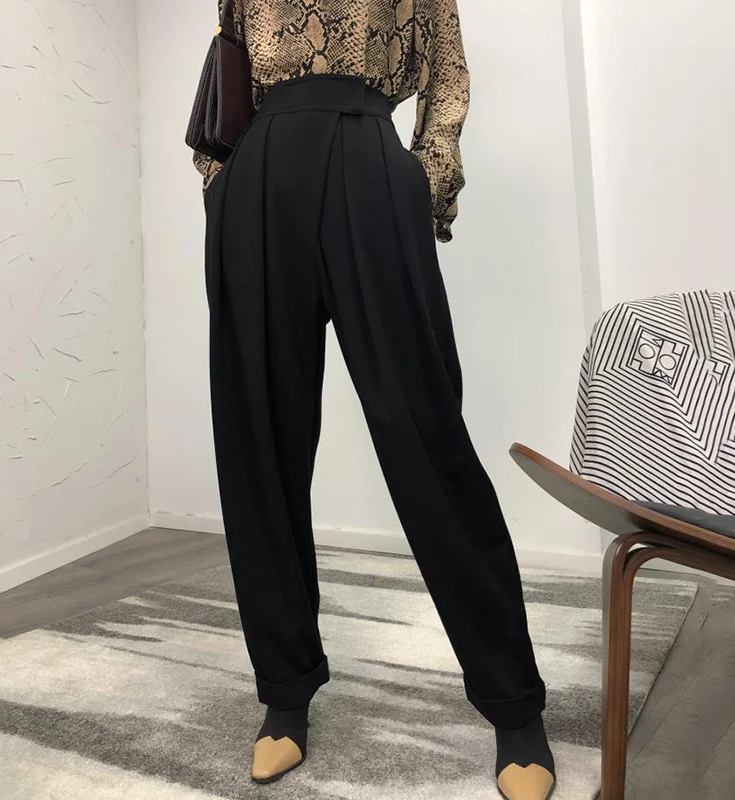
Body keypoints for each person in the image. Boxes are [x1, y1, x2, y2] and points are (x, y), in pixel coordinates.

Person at [194, 2, 556, 798]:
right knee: (259, 441)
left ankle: (513, 703)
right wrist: (221, 183)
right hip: (258, 177)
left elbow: (447, 74)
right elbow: (229, 62)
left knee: (425, 433)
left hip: (367, 157)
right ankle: (284, 693)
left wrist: (423, 178)